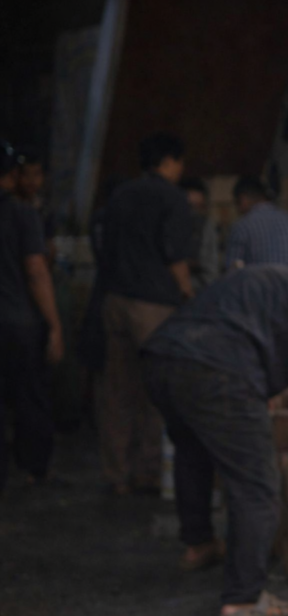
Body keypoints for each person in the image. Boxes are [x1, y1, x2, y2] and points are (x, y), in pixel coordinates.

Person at [141, 265, 288, 616]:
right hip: (217, 369)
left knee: (193, 453)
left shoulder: (282, 287)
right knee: (256, 485)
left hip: (161, 358)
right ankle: (244, 598)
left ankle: (199, 544)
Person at [99, 133, 193, 495]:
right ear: (169, 161)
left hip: (115, 301)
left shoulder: (120, 194)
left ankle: (116, 473)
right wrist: (188, 293)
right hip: (153, 306)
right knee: (156, 392)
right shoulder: (172, 198)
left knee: (117, 391)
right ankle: (148, 470)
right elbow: (174, 255)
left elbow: (105, 247)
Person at [0, 139, 64, 492]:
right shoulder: (22, 214)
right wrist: (54, 325)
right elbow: (37, 271)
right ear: (12, 175)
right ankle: (34, 467)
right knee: (30, 397)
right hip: (18, 323)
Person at [223, 178, 288, 271]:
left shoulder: (241, 227)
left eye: (237, 204)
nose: (238, 210)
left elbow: (233, 270)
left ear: (243, 199)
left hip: (257, 280)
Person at [13, 148, 57, 265]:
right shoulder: (8, 207)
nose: (31, 180)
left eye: (36, 174)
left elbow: (49, 244)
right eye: (26, 174)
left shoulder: (44, 209)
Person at [179, 178, 219, 292]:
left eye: (199, 207)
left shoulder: (207, 227)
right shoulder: (172, 228)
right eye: (190, 207)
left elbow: (212, 268)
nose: (194, 214)